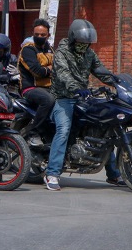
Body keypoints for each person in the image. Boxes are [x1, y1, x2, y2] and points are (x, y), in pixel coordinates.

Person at [44, 19, 124, 191]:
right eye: (81, 43)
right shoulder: (62, 52)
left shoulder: (89, 54)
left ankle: (113, 174)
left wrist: (118, 82)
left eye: (87, 44)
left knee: (102, 127)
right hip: (63, 97)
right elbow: (63, 74)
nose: (84, 46)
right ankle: (52, 174)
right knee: (63, 130)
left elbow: (100, 71)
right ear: (73, 39)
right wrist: (76, 88)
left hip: (84, 97)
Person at [17, 19, 56, 146]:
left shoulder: (49, 49)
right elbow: (36, 71)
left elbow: (59, 67)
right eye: (37, 34)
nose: (39, 37)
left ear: (48, 35)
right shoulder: (28, 50)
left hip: (49, 87)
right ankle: (33, 133)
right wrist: (50, 68)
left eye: (42, 35)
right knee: (48, 100)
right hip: (31, 88)